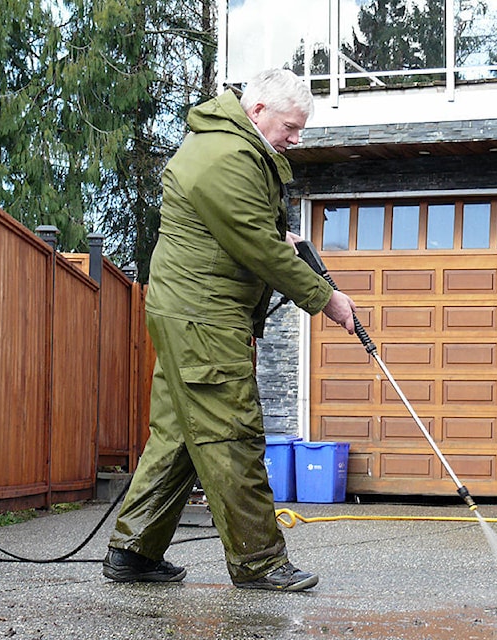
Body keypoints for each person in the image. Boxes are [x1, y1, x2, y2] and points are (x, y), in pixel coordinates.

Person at [102, 68, 357, 592]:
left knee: (178, 435)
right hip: (203, 315)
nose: (296, 138)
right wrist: (325, 297)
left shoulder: (227, 145)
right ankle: (259, 561)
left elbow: (239, 231)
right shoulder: (228, 155)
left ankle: (133, 551)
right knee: (232, 431)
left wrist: (274, 237)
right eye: (291, 126)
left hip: (192, 310)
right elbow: (254, 246)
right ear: (258, 111)